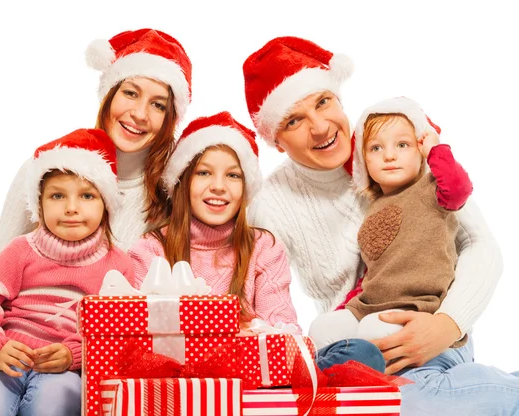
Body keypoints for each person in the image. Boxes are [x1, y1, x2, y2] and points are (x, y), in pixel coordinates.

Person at [0, 28, 192, 416]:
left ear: (169, 118)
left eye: (159, 104)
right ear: (109, 93)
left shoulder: (171, 195)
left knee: (52, 400)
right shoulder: (44, 169)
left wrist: (79, 355)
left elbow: (141, 319)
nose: (140, 114)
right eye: (130, 93)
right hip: (9, 337)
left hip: (86, 359)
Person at [243, 36, 519, 415]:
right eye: (294, 120)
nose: (321, 127)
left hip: (433, 326)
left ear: (338, 98)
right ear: (276, 139)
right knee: (370, 406)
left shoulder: (393, 145)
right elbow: (254, 287)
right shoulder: (269, 203)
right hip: (353, 347)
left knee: (406, 403)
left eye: (323, 102)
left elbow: (481, 244)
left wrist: (446, 325)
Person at [129, 111, 385, 372]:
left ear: (245, 189)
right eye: (204, 173)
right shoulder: (151, 249)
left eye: (233, 176)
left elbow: (282, 326)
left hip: (253, 371)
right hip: (179, 377)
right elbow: (139, 339)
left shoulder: (262, 246)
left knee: (359, 352)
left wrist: (257, 335)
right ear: (182, 182)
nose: (219, 186)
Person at [0, 128, 134, 415]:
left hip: (63, 369)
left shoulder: (118, 265)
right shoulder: (21, 250)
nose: (71, 208)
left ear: (106, 206)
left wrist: (75, 354)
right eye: (58, 195)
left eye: (87, 196)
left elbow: (119, 331)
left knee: (55, 404)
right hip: (7, 354)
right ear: (40, 204)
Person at [309, 97, 473, 349]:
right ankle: (343, 375)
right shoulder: (373, 207)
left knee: (375, 331)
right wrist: (345, 308)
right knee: (322, 328)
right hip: (369, 305)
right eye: (376, 148)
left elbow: (459, 188)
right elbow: (374, 270)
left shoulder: (433, 191)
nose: (389, 156)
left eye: (402, 145)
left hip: (416, 305)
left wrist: (436, 150)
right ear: (363, 161)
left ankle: (366, 375)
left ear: (420, 151)